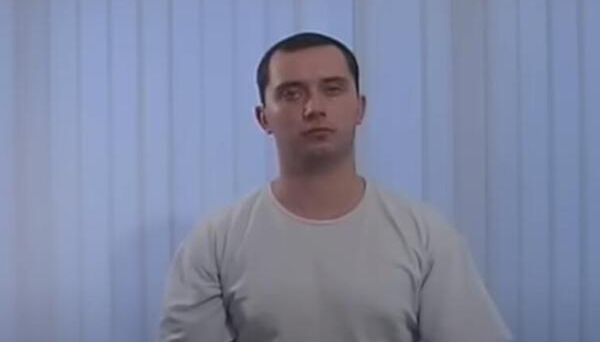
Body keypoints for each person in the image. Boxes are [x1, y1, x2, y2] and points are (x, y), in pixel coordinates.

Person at [159, 32, 512, 342]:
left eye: (332, 89)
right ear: (263, 117)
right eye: (291, 94)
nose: (314, 108)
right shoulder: (214, 244)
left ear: (359, 108)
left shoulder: (426, 236)